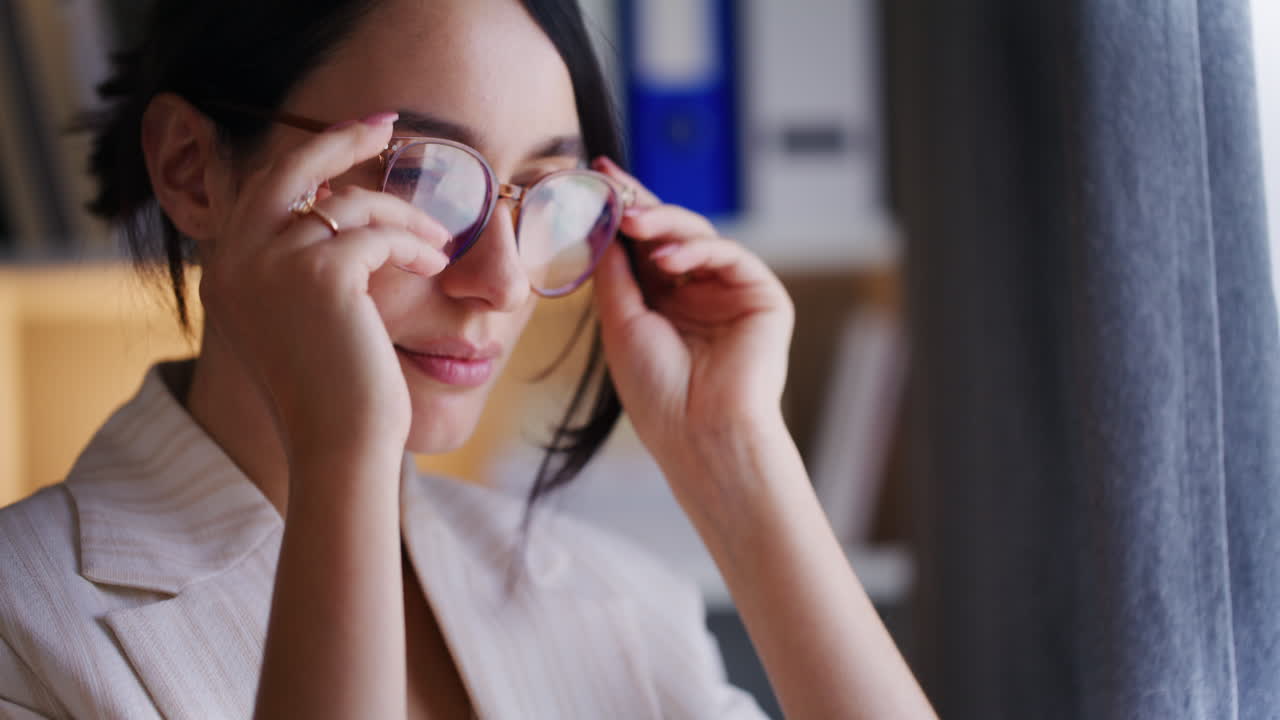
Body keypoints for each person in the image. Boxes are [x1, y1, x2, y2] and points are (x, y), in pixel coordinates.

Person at [0, 0, 936, 718]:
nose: (501, 282)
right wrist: (341, 457)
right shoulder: (24, 625)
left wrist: (734, 457)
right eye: (423, 177)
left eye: (543, 194)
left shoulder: (623, 603)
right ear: (191, 171)